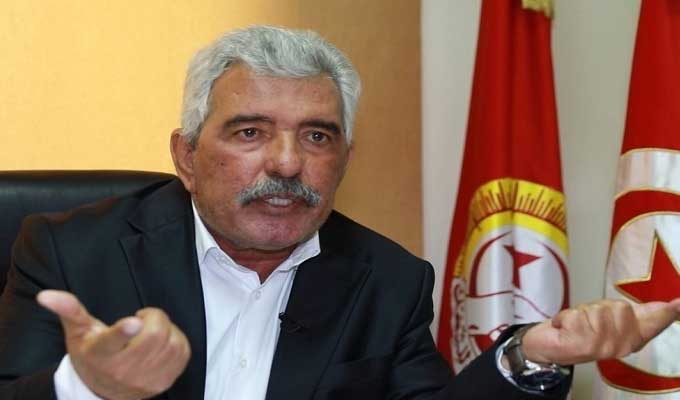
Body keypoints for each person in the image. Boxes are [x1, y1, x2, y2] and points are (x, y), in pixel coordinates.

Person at [0, 25, 678, 400]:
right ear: (186, 155)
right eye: (250, 132)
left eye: (317, 136)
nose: (287, 163)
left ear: (345, 159)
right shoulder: (70, 252)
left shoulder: (388, 279)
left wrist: (531, 355)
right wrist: (84, 386)